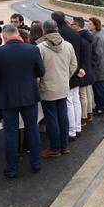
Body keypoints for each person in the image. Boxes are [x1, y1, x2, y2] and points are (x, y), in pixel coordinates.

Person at [0, 24, 45, 178]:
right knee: (32, 129)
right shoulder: (32, 49)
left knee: (11, 133)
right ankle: (36, 162)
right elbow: (41, 71)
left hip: (7, 97)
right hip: (29, 95)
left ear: (4, 37)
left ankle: (12, 168)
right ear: (17, 34)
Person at [36, 20, 77, 157]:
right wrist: (65, 77)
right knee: (63, 116)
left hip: (47, 88)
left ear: (44, 31)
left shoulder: (40, 47)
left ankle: (55, 148)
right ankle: (64, 146)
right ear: (57, 29)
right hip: (63, 86)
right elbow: (73, 65)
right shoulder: (68, 45)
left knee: (51, 118)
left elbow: (38, 71)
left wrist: (38, 84)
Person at [50, 11, 86, 140]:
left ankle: (71, 131)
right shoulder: (74, 32)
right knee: (75, 100)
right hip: (77, 69)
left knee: (69, 101)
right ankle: (77, 127)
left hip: (67, 70)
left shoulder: (59, 34)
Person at [72, 17, 95, 123]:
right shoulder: (88, 36)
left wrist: (80, 69)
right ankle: (89, 113)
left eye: (72, 24)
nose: (71, 26)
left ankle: (83, 117)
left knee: (82, 95)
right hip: (88, 67)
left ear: (77, 25)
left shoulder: (79, 38)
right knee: (88, 93)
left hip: (82, 68)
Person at [88, 17, 104, 115]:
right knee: (97, 89)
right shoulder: (94, 35)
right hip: (98, 67)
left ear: (95, 25)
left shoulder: (97, 37)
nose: (88, 25)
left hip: (98, 68)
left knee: (100, 89)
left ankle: (103, 108)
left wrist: (91, 64)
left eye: (90, 23)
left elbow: (98, 54)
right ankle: (98, 106)